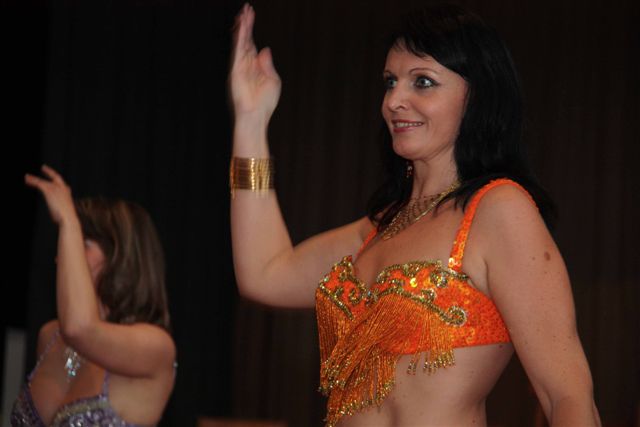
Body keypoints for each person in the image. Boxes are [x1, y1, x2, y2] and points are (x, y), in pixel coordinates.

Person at [229, 3, 600, 426]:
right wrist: (250, 122)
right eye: (390, 82)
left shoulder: (498, 210)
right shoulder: (380, 227)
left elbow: (567, 396)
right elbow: (264, 274)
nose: (394, 101)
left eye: (422, 82)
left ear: (477, 97)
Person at [12, 165, 176, 427]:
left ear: (119, 258)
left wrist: (68, 220)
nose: (63, 258)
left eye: (81, 244)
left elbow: (81, 328)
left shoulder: (155, 347)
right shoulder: (50, 336)